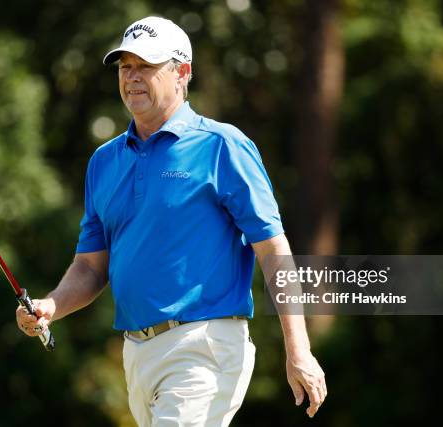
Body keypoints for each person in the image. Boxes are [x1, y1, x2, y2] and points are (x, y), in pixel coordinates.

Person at [16, 16, 326, 426]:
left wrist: (298, 349)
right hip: (137, 354)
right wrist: (51, 305)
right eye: (125, 67)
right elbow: (91, 266)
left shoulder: (222, 147)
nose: (132, 77)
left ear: (182, 73)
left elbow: (273, 251)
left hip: (204, 346)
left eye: (146, 66)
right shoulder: (104, 162)